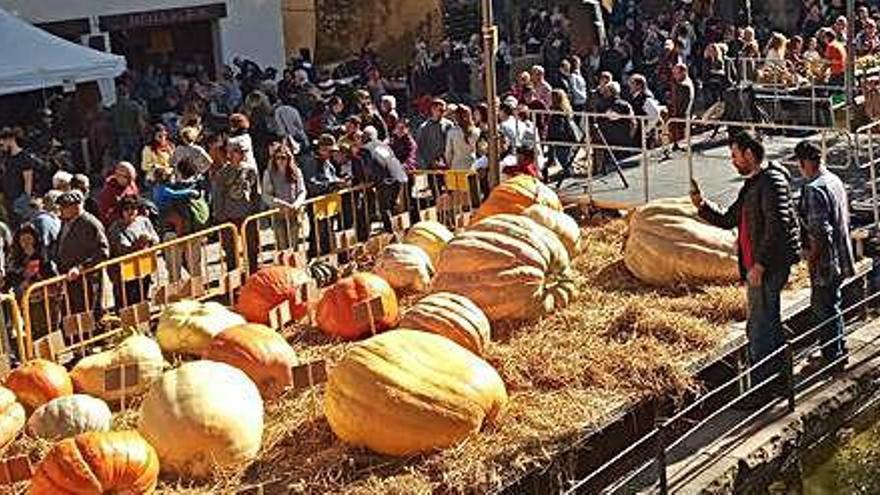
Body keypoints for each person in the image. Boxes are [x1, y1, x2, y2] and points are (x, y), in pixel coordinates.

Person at [691, 131, 800, 405]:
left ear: (750, 154)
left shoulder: (771, 182)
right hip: (757, 267)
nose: (733, 161)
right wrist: (702, 206)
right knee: (765, 323)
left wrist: (761, 265)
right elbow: (730, 218)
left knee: (761, 326)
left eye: (735, 155)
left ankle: (763, 389)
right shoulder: (753, 185)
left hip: (767, 268)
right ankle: (777, 382)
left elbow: (778, 227)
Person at [794, 141, 855, 371]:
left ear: (803, 163)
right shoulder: (834, 180)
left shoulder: (814, 189)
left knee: (823, 308)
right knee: (834, 304)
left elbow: (820, 231)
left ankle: (831, 358)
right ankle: (838, 350)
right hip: (842, 255)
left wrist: (811, 257)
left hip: (825, 263)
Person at [55, 190, 110, 316]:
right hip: (69, 278)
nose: (61, 210)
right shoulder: (65, 222)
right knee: (71, 315)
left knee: (87, 314)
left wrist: (81, 267)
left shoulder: (90, 224)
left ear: (76, 206)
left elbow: (102, 252)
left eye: (64, 206)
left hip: (86, 279)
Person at [212, 140, 261, 272]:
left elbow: (255, 192)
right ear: (230, 154)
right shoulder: (223, 173)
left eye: (243, 152)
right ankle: (233, 278)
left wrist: (256, 211)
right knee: (230, 249)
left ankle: (253, 272)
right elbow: (218, 195)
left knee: (252, 247)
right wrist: (219, 216)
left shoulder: (250, 171)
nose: (241, 155)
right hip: (229, 216)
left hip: (247, 214)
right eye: (238, 152)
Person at [7, 223, 58, 341]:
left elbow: (50, 271)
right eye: (23, 239)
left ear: (35, 239)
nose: (26, 242)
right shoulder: (15, 257)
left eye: (29, 238)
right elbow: (11, 275)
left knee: (50, 326)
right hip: (27, 300)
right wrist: (22, 277)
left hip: (46, 297)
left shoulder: (43, 254)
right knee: (33, 329)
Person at [107, 195, 159, 307]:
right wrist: (138, 244)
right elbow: (122, 248)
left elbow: (156, 239)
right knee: (126, 303)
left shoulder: (144, 221)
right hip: (124, 272)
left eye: (133, 208)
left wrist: (150, 240)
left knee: (142, 298)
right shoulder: (116, 227)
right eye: (127, 209)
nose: (130, 211)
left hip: (144, 267)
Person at [262, 144, 307, 251]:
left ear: (289, 158)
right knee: (282, 245)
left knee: (294, 244)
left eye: (284, 158)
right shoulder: (269, 173)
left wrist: (296, 204)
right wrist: (278, 203)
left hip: (294, 212)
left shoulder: (296, 172)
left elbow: (302, 191)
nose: (281, 161)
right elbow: (266, 195)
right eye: (278, 158)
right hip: (278, 213)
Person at [364, 127, 408, 233]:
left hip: (384, 179)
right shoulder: (385, 146)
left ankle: (391, 233)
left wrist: (370, 180)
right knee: (391, 206)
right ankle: (396, 230)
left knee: (384, 208)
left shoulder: (366, 148)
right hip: (398, 176)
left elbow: (368, 167)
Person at [0, 127, 42, 226]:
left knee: (22, 225)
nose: (1, 147)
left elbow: (28, 180)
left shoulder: (24, 157)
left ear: (10, 140)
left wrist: (25, 199)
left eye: (2, 144)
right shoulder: (5, 157)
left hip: (19, 198)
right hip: (7, 198)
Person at [546, 89, 579, 187]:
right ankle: (568, 172)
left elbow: (558, 128)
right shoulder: (565, 109)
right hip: (565, 138)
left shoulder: (558, 112)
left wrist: (552, 138)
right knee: (565, 158)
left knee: (563, 159)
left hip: (562, 139)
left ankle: (568, 175)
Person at [97, 162, 139, 227]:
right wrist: (123, 218)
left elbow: (136, 202)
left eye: (132, 178)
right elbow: (104, 215)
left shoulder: (131, 185)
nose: (130, 181)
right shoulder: (108, 191)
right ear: (117, 176)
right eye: (127, 177)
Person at [415, 99, 452, 170]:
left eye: (444, 111)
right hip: (429, 165)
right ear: (433, 109)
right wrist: (429, 162)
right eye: (440, 110)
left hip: (446, 164)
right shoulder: (424, 128)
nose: (442, 113)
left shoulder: (449, 125)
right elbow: (420, 147)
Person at [445, 105, 480, 171]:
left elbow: (448, 152)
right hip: (472, 165)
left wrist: (449, 164)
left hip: (456, 166)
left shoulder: (452, 132)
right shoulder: (477, 131)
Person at [668, 63, 694, 151]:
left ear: (683, 72)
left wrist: (677, 114)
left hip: (681, 114)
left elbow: (684, 103)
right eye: (673, 73)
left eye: (676, 73)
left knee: (681, 131)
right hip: (678, 113)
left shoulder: (684, 85)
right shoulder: (678, 84)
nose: (674, 75)